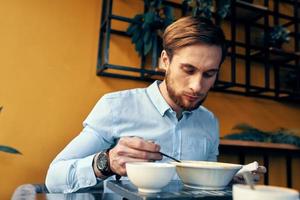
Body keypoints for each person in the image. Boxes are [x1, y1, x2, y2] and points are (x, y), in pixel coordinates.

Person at [45, 16, 265, 193]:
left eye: (209, 74)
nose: (197, 86)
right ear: (165, 61)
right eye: (188, 70)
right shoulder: (116, 107)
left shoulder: (209, 121)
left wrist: (227, 180)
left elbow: (203, 187)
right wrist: (107, 162)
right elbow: (54, 178)